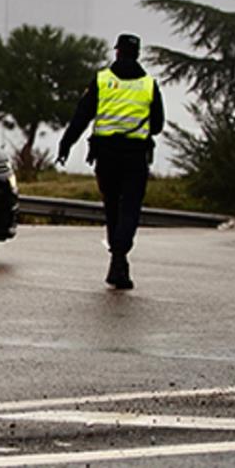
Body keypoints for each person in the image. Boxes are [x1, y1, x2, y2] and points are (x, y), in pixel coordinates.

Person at [57, 33, 164, 290]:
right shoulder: (149, 85)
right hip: (135, 156)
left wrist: (65, 145)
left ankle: (117, 260)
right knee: (130, 209)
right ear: (137, 54)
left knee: (112, 207)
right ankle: (119, 257)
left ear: (117, 52)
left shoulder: (102, 80)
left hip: (106, 156)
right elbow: (157, 126)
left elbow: (81, 117)